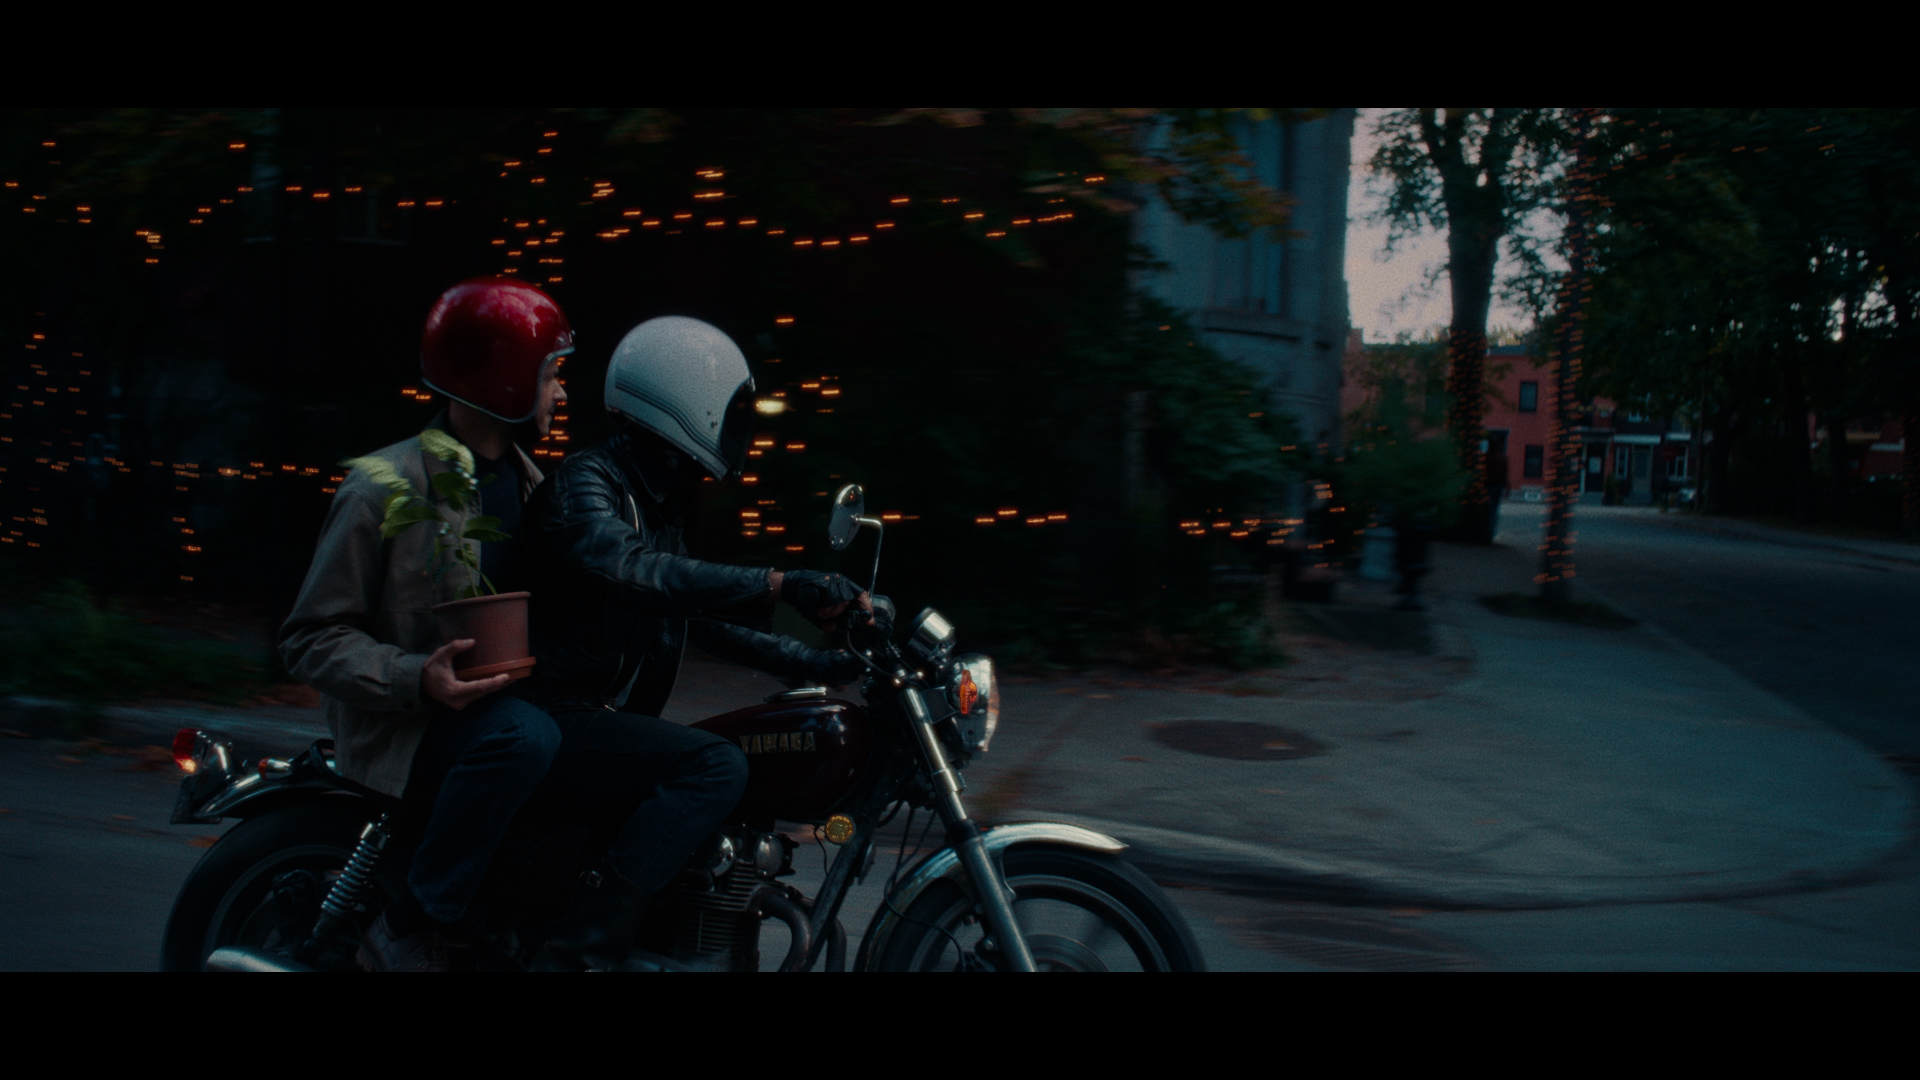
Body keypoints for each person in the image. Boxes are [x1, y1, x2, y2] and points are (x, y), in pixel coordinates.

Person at [514, 315, 870, 971]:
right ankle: (583, 954)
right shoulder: (586, 486)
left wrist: (824, 664)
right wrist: (781, 584)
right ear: (686, 402)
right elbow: (638, 573)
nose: (739, 428)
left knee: (742, 761)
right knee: (713, 765)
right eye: (731, 411)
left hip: (595, 719)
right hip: (551, 715)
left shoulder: (657, 502)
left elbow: (695, 617)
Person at [278, 278, 573, 972]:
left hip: (487, 723)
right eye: (552, 375)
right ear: (505, 380)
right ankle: (410, 924)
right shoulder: (384, 486)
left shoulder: (538, 494)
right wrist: (419, 677)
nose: (561, 394)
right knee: (526, 738)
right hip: (408, 727)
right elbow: (309, 637)